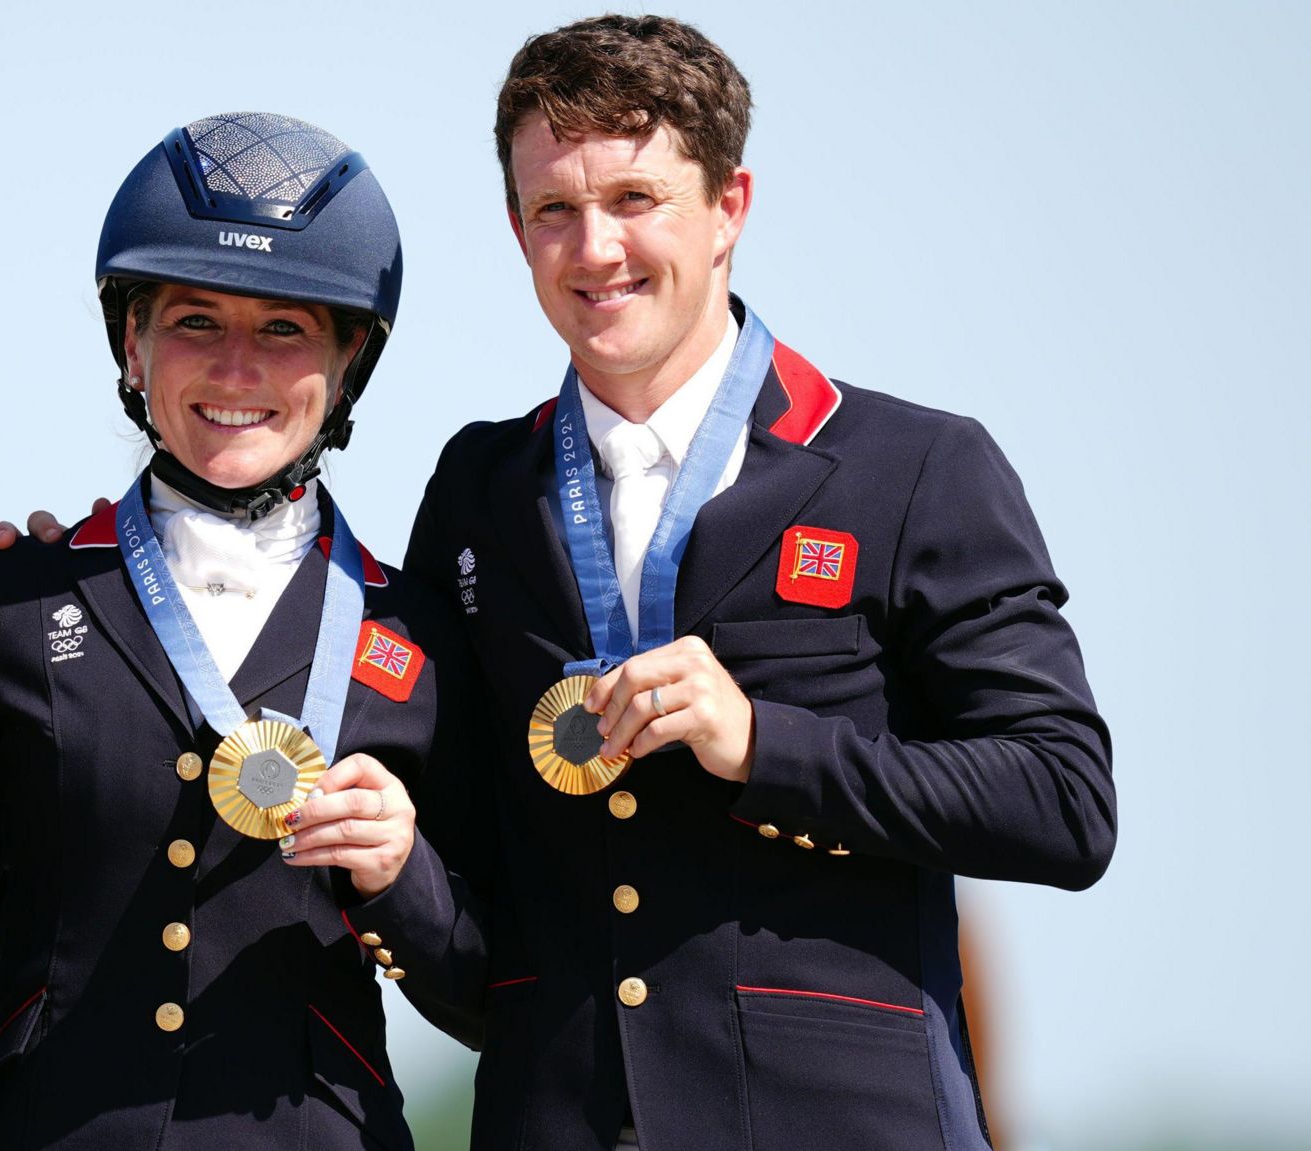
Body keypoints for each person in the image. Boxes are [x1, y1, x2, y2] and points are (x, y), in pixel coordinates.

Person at [344, 15, 1118, 1151]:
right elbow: (432, 800)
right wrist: (87, 565)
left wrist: (763, 742)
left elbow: (1063, 801)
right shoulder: (476, 488)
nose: (593, 247)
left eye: (634, 199)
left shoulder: (914, 467)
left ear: (728, 210)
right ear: (515, 229)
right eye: (553, 209)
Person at [0, 111, 484, 1150]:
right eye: (193, 322)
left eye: (282, 327)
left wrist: (404, 869)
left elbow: (498, 995)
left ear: (347, 355)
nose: (235, 369)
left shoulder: (423, 643)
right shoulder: (2, 610)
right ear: (131, 341)